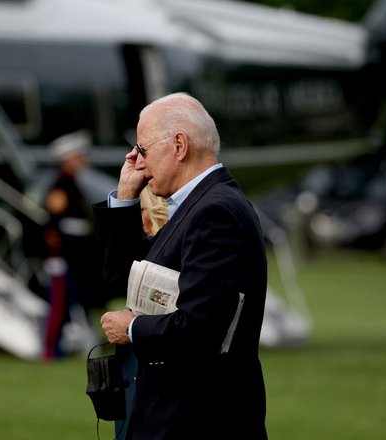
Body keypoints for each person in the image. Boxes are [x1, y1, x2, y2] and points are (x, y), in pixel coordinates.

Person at [93, 92, 268, 439]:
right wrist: (126, 197)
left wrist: (131, 328)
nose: (138, 162)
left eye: (142, 149)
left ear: (178, 145)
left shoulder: (214, 212)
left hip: (199, 419)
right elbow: (122, 279)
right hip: (178, 415)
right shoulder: (200, 205)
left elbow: (199, 329)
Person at [41, 129, 99, 360]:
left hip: (76, 257)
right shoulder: (59, 187)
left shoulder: (73, 184)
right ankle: (50, 350)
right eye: (78, 157)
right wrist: (55, 257)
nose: (83, 161)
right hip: (62, 258)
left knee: (74, 302)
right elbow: (54, 226)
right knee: (57, 307)